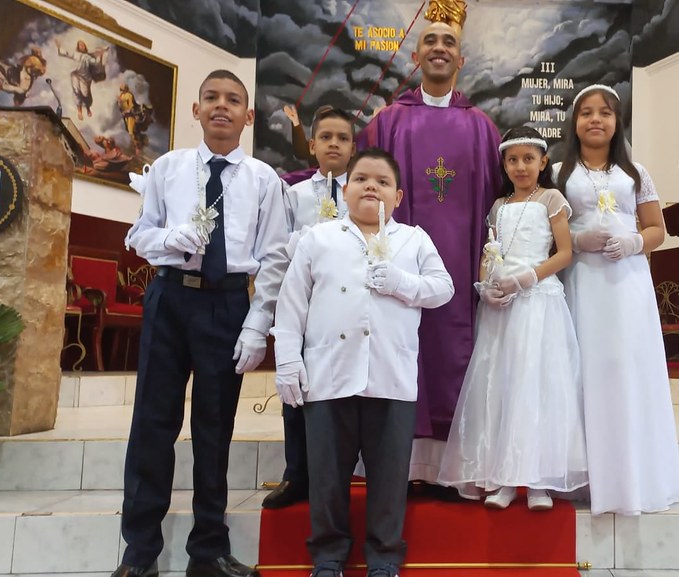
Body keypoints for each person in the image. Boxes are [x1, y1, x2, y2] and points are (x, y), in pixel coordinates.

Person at [116, 69, 289, 577]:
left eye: (233, 100)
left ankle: (208, 549)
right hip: (170, 298)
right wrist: (167, 240)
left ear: (248, 115)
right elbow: (138, 234)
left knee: (215, 429)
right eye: (211, 97)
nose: (221, 106)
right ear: (196, 109)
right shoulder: (168, 168)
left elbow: (275, 259)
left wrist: (258, 326)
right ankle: (139, 552)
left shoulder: (264, 180)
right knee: (152, 425)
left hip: (227, 306)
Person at [272, 147, 454, 577]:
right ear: (345, 189)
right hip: (328, 374)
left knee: (389, 477)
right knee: (328, 474)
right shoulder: (319, 237)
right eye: (361, 179)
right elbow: (292, 304)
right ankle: (329, 555)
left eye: (383, 181)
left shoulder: (414, 239)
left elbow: (442, 288)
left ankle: (384, 556)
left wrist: (401, 283)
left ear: (399, 195)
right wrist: (286, 362)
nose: (371, 186)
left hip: (391, 376)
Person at [356, 21, 501, 487]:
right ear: (415, 57)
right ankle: (406, 465)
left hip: (462, 264)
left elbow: (500, 205)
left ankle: (458, 468)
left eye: (449, 43)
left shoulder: (482, 128)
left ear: (460, 60)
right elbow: (362, 192)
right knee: (405, 352)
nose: (439, 49)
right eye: (430, 42)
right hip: (397, 269)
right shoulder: (387, 122)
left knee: (456, 349)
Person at [438, 126, 587, 510]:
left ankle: (538, 480)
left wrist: (528, 277)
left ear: (543, 162)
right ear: (504, 164)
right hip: (502, 305)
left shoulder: (551, 199)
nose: (521, 167)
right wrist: (486, 285)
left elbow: (565, 252)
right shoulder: (498, 206)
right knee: (501, 384)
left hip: (538, 300)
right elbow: (491, 251)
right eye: (513, 159)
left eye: (528, 159)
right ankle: (503, 477)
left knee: (535, 383)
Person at [555, 84, 679, 515]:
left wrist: (634, 243)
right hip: (580, 281)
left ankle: (634, 475)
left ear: (617, 121)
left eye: (605, 113)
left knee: (626, 368)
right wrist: (578, 238)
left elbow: (657, 229)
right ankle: (582, 475)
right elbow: (546, 233)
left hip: (627, 283)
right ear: (574, 123)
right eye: (586, 113)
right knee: (583, 369)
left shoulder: (636, 173)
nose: (596, 120)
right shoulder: (558, 172)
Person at [263, 104, 355, 510]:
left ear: (354, 147)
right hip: (303, 306)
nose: (334, 144)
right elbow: (277, 253)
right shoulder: (293, 194)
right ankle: (297, 473)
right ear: (312, 144)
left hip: (348, 308)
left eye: (343, 138)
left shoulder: (363, 191)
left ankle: (349, 472)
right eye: (327, 137)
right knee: (297, 395)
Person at [55, 39, 109, 120]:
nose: (82, 46)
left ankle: (87, 108)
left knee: (85, 94)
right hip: (75, 75)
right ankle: (79, 111)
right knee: (76, 91)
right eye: (80, 45)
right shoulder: (75, 54)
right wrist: (59, 46)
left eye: (83, 45)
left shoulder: (88, 57)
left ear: (85, 47)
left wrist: (101, 55)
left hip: (85, 78)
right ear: (78, 47)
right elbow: (66, 53)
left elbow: (96, 64)